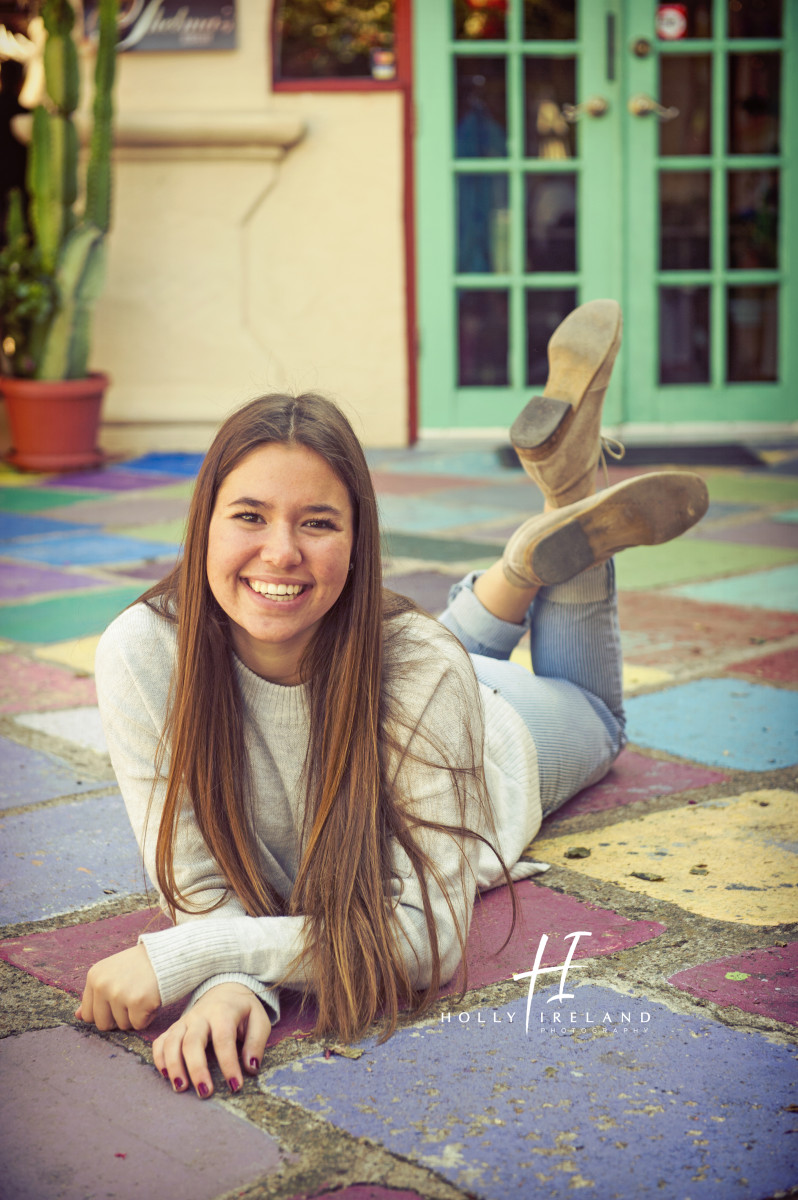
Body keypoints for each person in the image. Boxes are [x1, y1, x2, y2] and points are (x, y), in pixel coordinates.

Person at [76, 301, 708, 1100]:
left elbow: (426, 941)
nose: (280, 549)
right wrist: (235, 987)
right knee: (375, 647)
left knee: (594, 713)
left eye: (317, 523)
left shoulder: (423, 673)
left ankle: (568, 500)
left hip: (481, 734)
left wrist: (191, 960)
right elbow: (200, 884)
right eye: (249, 516)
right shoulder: (141, 652)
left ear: (359, 540)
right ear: (202, 523)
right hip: (388, 680)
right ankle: (517, 569)